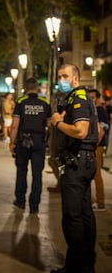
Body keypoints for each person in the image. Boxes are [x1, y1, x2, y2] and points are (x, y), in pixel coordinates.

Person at [50, 63, 98, 273]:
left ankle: (76, 266)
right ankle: (86, 263)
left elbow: (80, 131)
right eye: (59, 76)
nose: (61, 80)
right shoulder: (74, 99)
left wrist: (58, 123)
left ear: (76, 79)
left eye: (65, 76)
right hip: (84, 161)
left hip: (77, 163)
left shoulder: (78, 99)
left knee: (72, 217)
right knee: (84, 213)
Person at [9, 78, 51, 214]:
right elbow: (49, 125)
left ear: (26, 88)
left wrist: (11, 143)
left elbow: (15, 125)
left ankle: (20, 201)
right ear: (37, 88)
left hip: (23, 141)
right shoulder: (45, 103)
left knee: (21, 172)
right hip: (39, 141)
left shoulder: (21, 102)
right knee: (37, 174)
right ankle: (34, 206)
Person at [88, 89, 108, 211]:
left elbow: (102, 129)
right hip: (94, 146)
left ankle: (101, 202)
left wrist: (95, 144)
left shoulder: (100, 110)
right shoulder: (92, 110)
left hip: (97, 147)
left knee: (96, 174)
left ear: (97, 98)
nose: (91, 99)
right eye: (89, 97)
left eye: (93, 97)